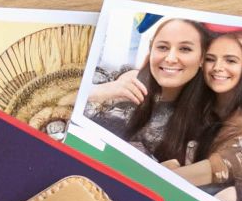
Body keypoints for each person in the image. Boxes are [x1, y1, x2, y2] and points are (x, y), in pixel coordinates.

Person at [162, 28, 242, 201]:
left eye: (230, 60)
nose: (217, 67)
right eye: (211, 59)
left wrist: (169, 173)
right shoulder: (197, 107)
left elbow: (220, 166)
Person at [83, 16, 208, 158]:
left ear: (202, 58)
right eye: (162, 47)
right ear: (151, 50)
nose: (170, 58)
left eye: (185, 49)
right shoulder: (119, 81)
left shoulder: (202, 123)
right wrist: (95, 92)